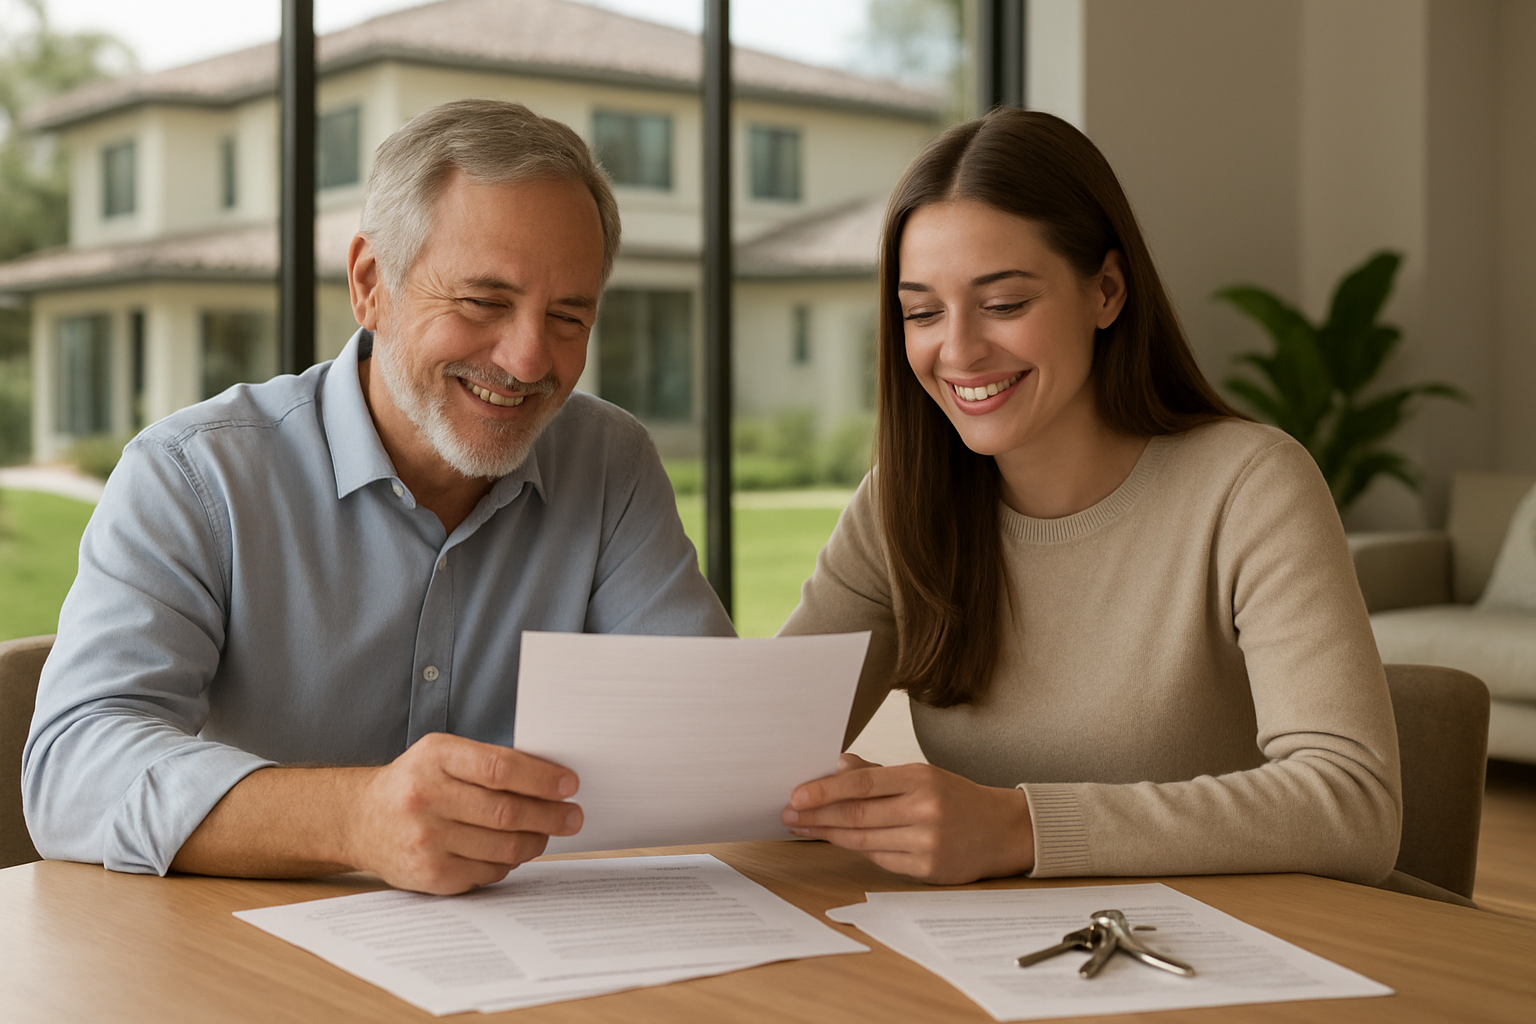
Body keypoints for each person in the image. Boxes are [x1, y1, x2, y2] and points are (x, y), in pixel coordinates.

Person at [23, 99, 733, 895]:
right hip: (245, 952)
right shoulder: (193, 476)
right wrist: (353, 819)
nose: (530, 360)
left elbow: (709, 731)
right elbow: (71, 771)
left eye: (568, 316)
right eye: (483, 302)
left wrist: (805, 784)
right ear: (370, 284)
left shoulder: (610, 463)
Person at [778, 109, 1401, 887]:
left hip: (1242, 941)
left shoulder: (1250, 487)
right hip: (1005, 943)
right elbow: (757, 752)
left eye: (1004, 304)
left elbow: (1353, 806)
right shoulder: (901, 505)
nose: (958, 350)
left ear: (1106, 291)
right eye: (923, 313)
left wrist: (1021, 827)